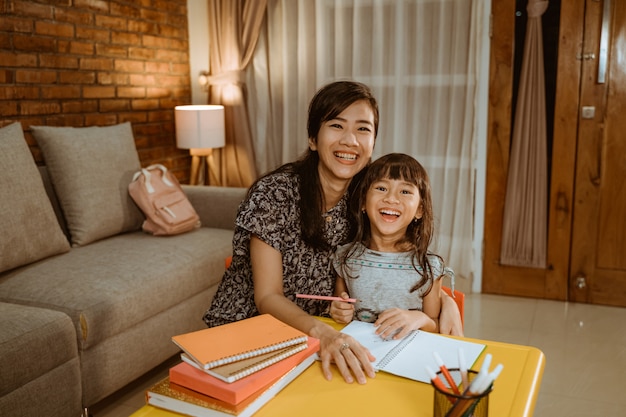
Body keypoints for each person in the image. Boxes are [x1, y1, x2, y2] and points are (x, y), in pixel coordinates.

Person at [203, 81, 462, 385]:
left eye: (363, 129)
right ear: (313, 138)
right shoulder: (274, 194)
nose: (350, 140)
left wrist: (446, 302)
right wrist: (322, 332)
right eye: (337, 125)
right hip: (254, 327)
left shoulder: (366, 196)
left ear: (373, 141)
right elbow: (267, 296)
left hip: (328, 330)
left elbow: (392, 257)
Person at [330, 153, 455, 341]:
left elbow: (435, 325)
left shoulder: (430, 267)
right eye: (381, 188)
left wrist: (420, 318)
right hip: (361, 353)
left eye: (405, 192)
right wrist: (339, 311)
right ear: (363, 202)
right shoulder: (345, 257)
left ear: (420, 210)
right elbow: (340, 309)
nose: (391, 199)